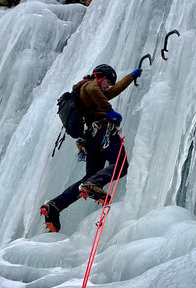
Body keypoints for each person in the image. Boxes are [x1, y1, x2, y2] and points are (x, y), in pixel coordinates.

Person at [41, 63, 142, 232]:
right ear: (99, 76)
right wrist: (110, 112)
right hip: (103, 132)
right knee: (121, 165)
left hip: (92, 138)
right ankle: (92, 185)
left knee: (89, 176)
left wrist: (131, 77)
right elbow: (96, 91)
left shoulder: (89, 92)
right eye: (108, 81)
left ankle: (55, 205)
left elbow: (113, 91)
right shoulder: (90, 85)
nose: (108, 85)